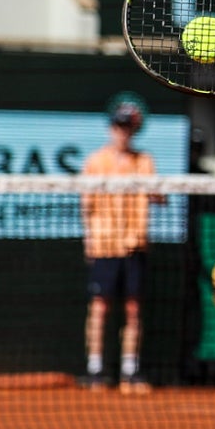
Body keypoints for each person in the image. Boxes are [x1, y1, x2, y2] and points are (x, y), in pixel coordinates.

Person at [80, 102, 158, 393]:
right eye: (118, 127)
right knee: (100, 308)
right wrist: (89, 241)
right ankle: (95, 368)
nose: (122, 133)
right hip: (104, 244)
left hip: (134, 244)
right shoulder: (95, 161)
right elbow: (86, 206)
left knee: (133, 309)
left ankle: (130, 370)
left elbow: (159, 195)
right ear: (111, 128)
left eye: (128, 128)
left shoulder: (144, 162)